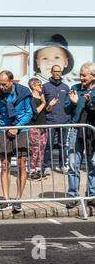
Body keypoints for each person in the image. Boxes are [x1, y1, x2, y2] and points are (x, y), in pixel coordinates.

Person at [0, 70, 35, 212]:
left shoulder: (24, 92)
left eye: (4, 84)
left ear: (12, 82)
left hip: (21, 129)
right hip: (4, 128)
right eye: (0, 84)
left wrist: (17, 128)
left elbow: (29, 112)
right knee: (5, 165)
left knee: (21, 165)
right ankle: (6, 200)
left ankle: (18, 199)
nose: (1, 87)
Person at [64, 62, 95, 209]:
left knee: (92, 165)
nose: (81, 78)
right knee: (73, 165)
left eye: (84, 75)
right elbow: (66, 109)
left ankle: (92, 195)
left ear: (93, 76)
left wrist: (88, 103)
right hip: (76, 130)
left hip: (92, 132)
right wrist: (74, 103)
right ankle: (73, 196)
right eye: (80, 75)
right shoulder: (74, 89)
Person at [42, 65, 70, 176]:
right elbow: (43, 104)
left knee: (63, 144)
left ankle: (62, 165)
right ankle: (47, 166)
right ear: (51, 72)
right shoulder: (45, 87)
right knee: (48, 144)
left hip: (64, 121)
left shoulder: (66, 87)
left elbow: (69, 104)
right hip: (50, 121)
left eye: (59, 71)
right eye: (55, 71)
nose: (57, 73)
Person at [27, 78, 48, 180]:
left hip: (43, 126)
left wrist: (49, 105)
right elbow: (34, 112)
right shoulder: (30, 98)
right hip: (33, 127)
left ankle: (39, 169)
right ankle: (32, 171)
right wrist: (43, 103)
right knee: (34, 149)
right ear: (34, 86)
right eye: (40, 85)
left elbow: (45, 112)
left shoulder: (41, 97)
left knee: (42, 149)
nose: (42, 86)